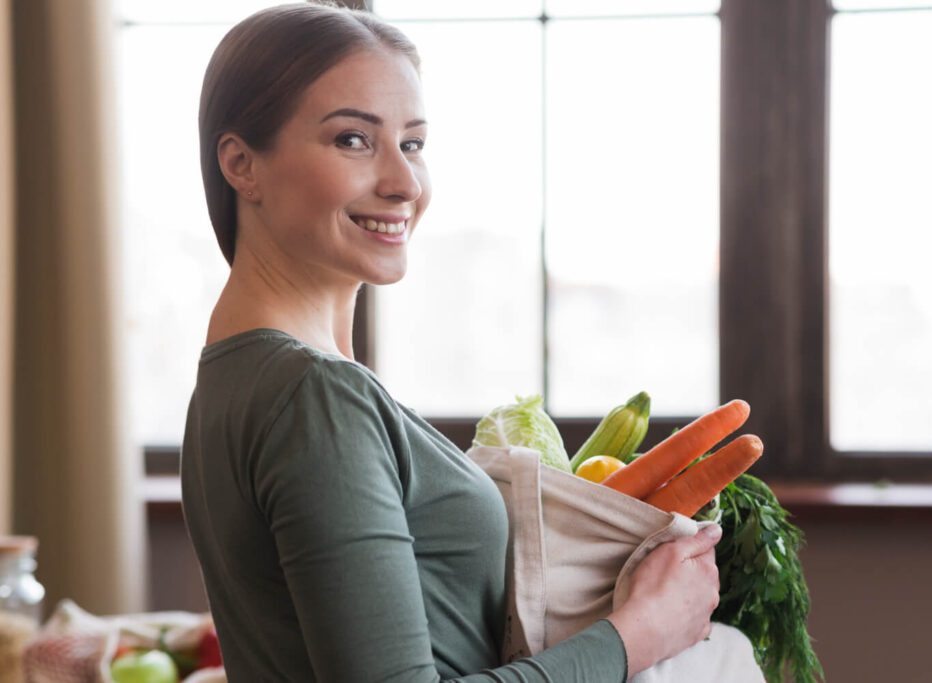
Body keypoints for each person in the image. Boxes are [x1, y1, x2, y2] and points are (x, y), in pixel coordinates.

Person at [181, 3, 722, 681]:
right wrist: (637, 632)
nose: (404, 182)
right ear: (241, 164)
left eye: (412, 143)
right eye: (353, 139)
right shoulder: (314, 396)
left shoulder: (234, 379)